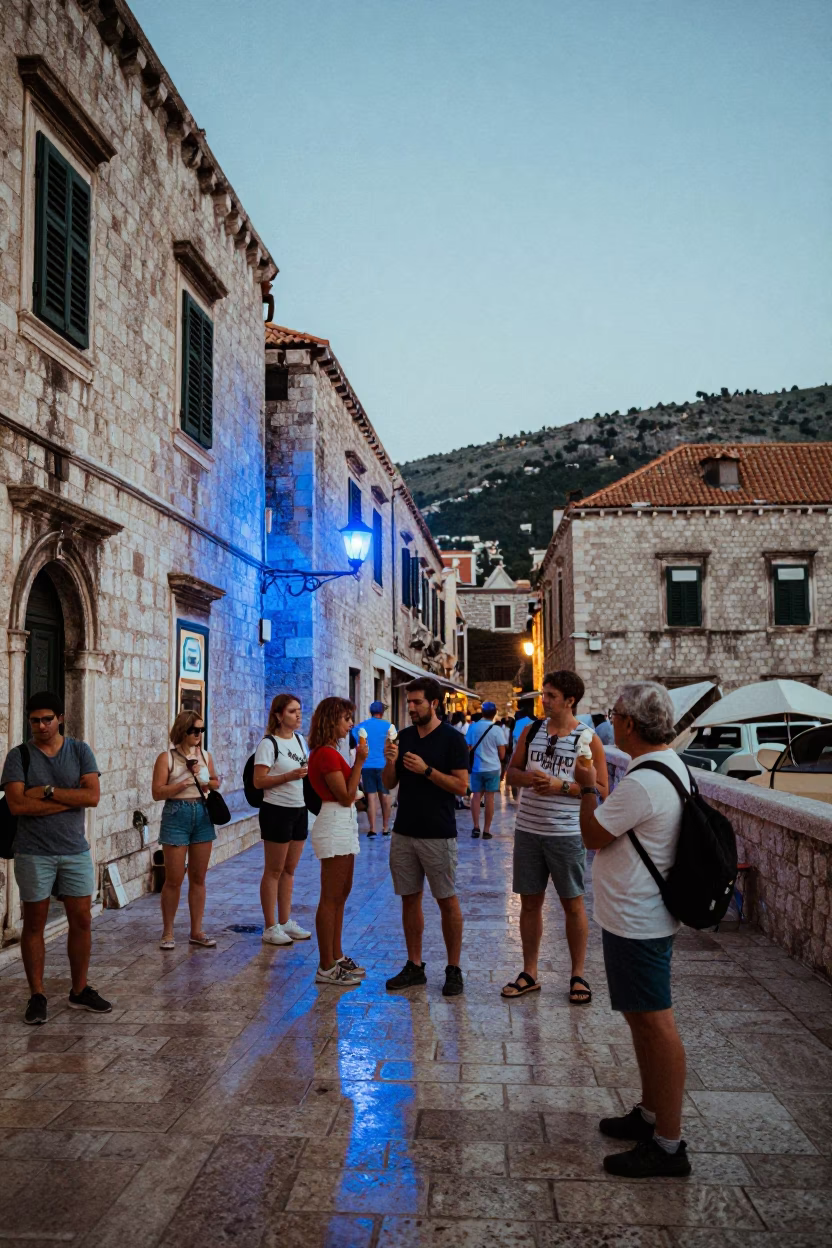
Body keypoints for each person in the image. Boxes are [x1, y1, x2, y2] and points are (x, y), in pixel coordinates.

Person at [575, 681, 692, 1179]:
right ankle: (649, 1114)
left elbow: (592, 833)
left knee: (654, 1024)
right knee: (640, 1019)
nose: (612, 719)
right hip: (636, 916)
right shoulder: (667, 765)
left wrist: (585, 785)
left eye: (617, 713)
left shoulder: (644, 781)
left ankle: (668, 1145)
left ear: (629, 723)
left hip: (638, 919)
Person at [1, 691, 110, 1025]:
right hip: (34, 851)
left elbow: (92, 796)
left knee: (82, 920)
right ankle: (37, 995)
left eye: (48, 719)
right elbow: (17, 805)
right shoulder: (19, 756)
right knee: (34, 923)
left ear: (60, 718)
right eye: (35, 720)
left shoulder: (79, 751)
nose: (41, 725)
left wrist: (47, 792)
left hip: (75, 849)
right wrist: (70, 799)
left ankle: (79, 990)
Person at [502, 670, 608, 1004]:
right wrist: (527, 778)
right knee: (530, 903)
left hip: (566, 833)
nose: (543, 700)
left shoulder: (588, 739)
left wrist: (561, 786)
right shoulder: (531, 731)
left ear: (569, 700)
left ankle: (578, 975)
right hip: (529, 831)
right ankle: (529, 972)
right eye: (543, 694)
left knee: (572, 903)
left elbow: (601, 789)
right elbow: (511, 774)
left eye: (550, 695)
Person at [382, 676, 469, 997]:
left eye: (417, 702)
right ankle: (415, 966)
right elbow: (390, 782)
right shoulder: (403, 737)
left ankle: (453, 968)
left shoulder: (451, 740)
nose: (412, 707)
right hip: (404, 831)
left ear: (435, 703)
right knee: (409, 899)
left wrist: (427, 771)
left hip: (438, 833)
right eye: (409, 702)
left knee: (446, 900)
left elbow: (462, 786)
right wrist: (391, 762)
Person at [307, 697, 369, 986]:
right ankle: (326, 965)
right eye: (346, 719)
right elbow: (345, 795)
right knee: (331, 896)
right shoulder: (327, 755)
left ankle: (336, 954)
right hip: (334, 821)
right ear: (332, 721)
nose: (351, 724)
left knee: (342, 892)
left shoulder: (331, 752)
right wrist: (359, 762)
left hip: (343, 823)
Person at [152, 710, 222, 951]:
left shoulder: (205, 754)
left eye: (201, 730)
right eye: (194, 730)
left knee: (198, 877)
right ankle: (168, 931)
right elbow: (157, 792)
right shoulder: (167, 758)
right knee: (174, 878)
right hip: (176, 813)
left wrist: (207, 781)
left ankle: (196, 930)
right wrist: (183, 783)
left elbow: (214, 782)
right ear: (182, 730)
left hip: (202, 813)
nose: (198, 735)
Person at [252, 693, 312, 946]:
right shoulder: (268, 744)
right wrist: (288, 777)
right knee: (274, 870)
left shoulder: (300, 740)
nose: (298, 715)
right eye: (291, 711)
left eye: (299, 710)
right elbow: (259, 781)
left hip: (299, 808)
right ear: (278, 715)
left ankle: (286, 921)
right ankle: (270, 925)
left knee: (290, 869)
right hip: (277, 810)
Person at [465, 702, 507, 839]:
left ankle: (476, 827)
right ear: (494, 713)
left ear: (482, 713)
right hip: (493, 768)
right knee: (490, 798)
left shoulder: (473, 727)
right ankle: (487, 830)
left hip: (477, 767)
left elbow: (468, 747)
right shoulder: (497, 730)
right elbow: (502, 755)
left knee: (476, 796)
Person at [354, 700, 394, 837]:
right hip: (383, 766)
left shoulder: (362, 726)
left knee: (370, 797)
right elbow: (393, 742)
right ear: (382, 713)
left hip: (367, 766)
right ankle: (385, 827)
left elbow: (355, 740)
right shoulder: (388, 726)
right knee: (385, 796)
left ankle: (372, 829)